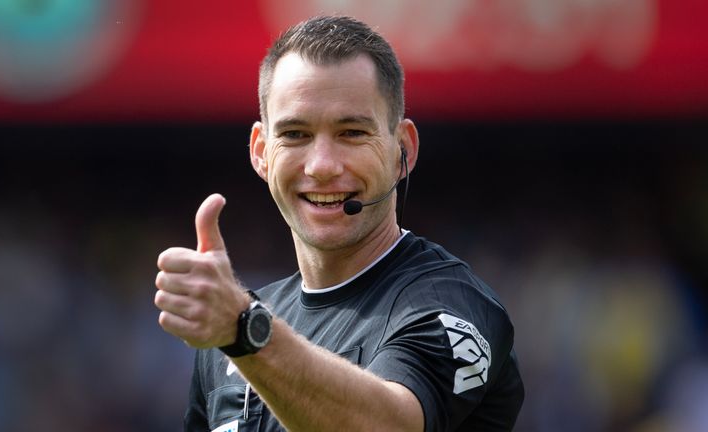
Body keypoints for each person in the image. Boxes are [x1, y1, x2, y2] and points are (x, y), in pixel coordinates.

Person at [154, 15, 524, 432]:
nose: (323, 166)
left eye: (351, 132)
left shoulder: (452, 306)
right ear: (260, 152)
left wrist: (246, 333)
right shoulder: (231, 331)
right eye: (295, 134)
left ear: (403, 149)